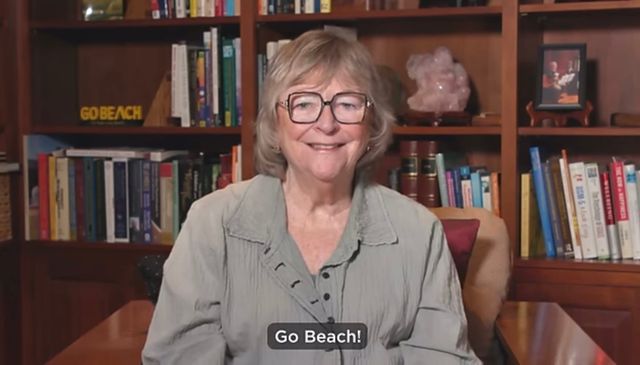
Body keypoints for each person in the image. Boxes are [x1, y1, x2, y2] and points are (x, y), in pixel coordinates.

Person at [142, 30, 480, 364]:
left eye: (347, 104)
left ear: (371, 124)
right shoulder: (212, 224)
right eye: (304, 104)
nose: (327, 124)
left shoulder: (419, 232)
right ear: (276, 122)